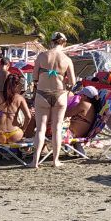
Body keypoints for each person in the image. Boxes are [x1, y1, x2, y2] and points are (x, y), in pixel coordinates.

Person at [32, 31, 77, 168]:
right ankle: (55, 160)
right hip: (60, 94)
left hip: (42, 94)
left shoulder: (42, 56)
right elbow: (73, 82)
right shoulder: (66, 59)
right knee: (57, 128)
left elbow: (35, 78)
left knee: (40, 129)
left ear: (52, 42)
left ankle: (35, 162)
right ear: (64, 43)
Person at [0, 71, 32, 146]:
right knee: (20, 136)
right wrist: (23, 129)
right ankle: (18, 154)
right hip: (15, 134)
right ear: (17, 85)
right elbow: (28, 117)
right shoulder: (20, 98)